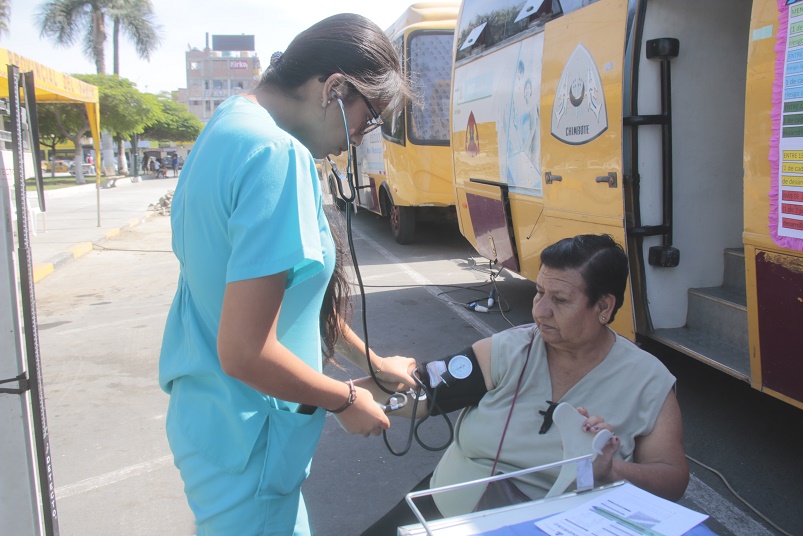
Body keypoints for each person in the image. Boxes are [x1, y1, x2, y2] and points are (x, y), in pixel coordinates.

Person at [158, 13, 417, 536]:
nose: (354, 143)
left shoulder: (227, 126)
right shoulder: (278, 156)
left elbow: (290, 302)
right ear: (335, 89)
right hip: (251, 447)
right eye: (365, 121)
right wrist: (345, 400)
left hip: (213, 427)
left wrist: (371, 362)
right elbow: (246, 350)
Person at [358, 234, 689, 534]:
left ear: (603, 307)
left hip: (557, 525)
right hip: (449, 511)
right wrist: (346, 396)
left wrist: (611, 472)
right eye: (539, 292)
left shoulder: (648, 380)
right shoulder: (508, 349)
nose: (540, 312)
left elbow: (672, 478)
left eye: (559, 300)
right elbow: (425, 391)